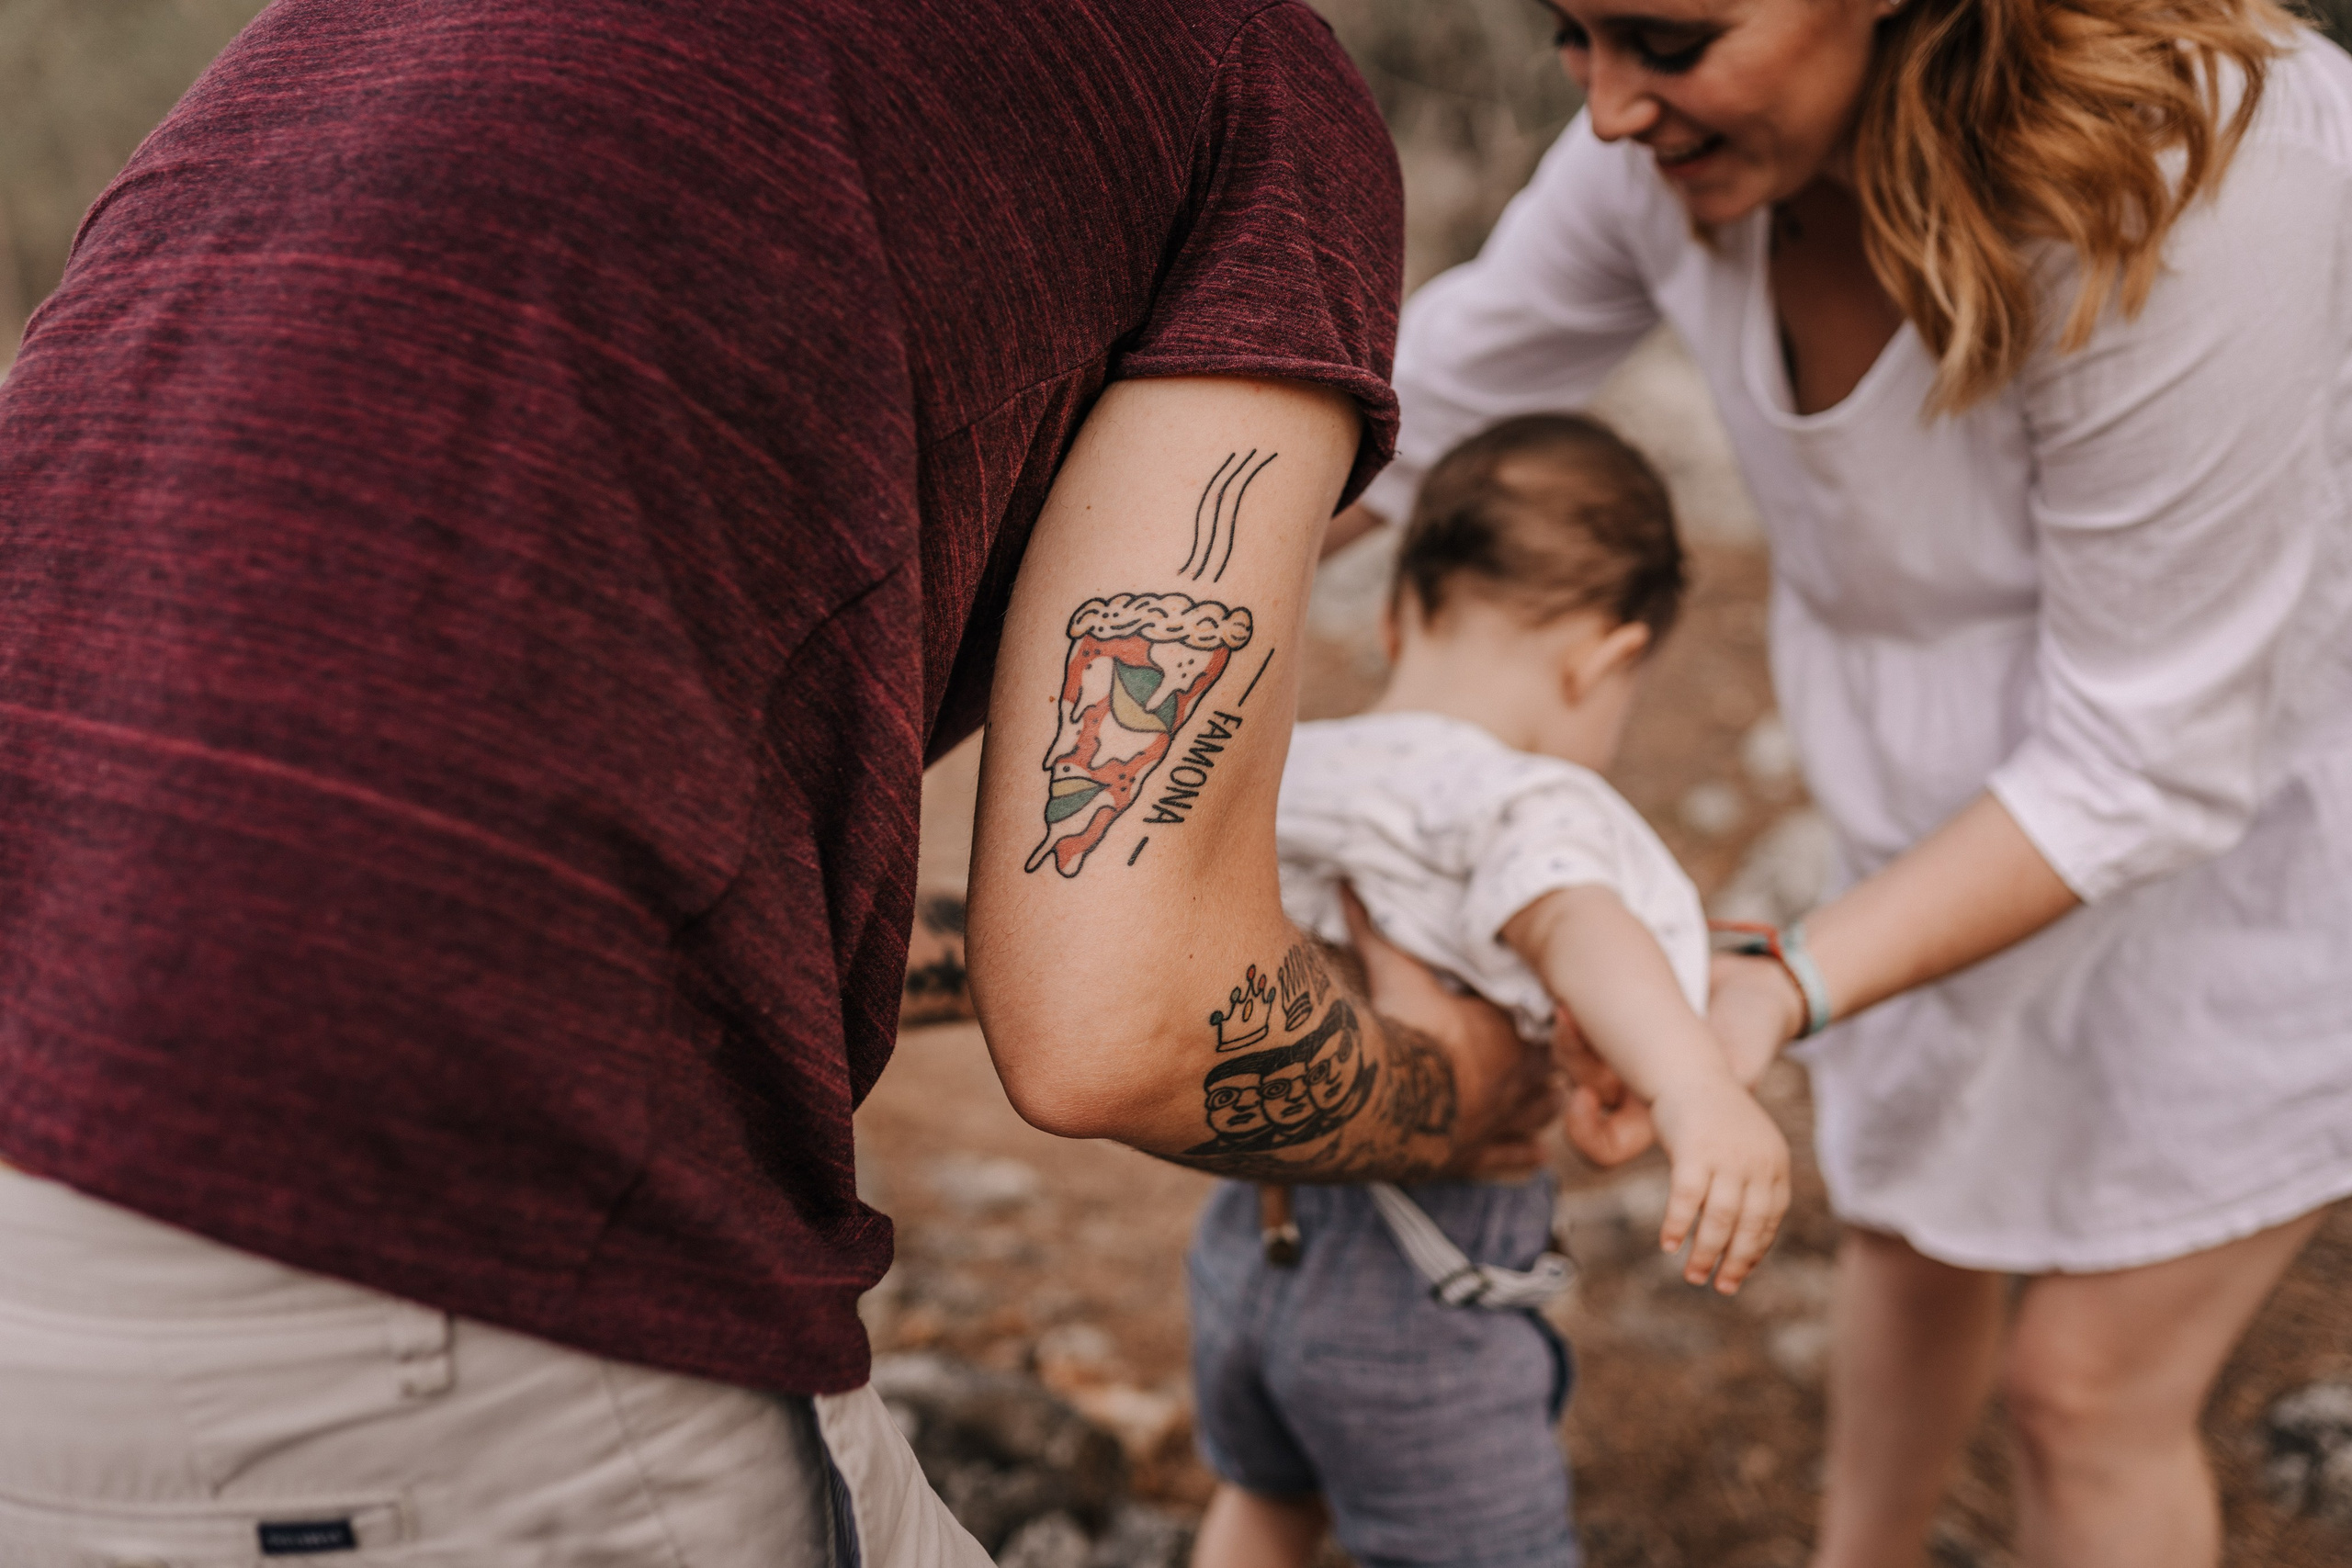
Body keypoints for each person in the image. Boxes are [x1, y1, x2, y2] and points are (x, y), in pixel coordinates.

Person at [0, 3, 1559, 1562]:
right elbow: (1127, 1020)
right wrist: (1477, 1085)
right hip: (428, 1254)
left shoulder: (356, 30)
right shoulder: (1247, 76)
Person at [1342, 0, 2352, 1562]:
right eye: (1571, 34)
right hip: (1921, 822)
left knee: (2085, 1392)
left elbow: (2146, 755)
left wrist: (1780, 980)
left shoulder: (2207, 162)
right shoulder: (1666, 147)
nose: (1609, 110)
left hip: (2243, 845)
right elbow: (1405, 416)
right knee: (1911, 1230)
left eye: (1668, 41)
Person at [1182, 413, 1792, 1568]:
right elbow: (1569, 914)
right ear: (1605, 659)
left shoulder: (1294, 770)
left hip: (1244, 1251)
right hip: (1416, 1295)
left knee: (1267, 1500)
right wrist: (1695, 1082)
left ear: (1397, 610)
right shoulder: (1524, 801)